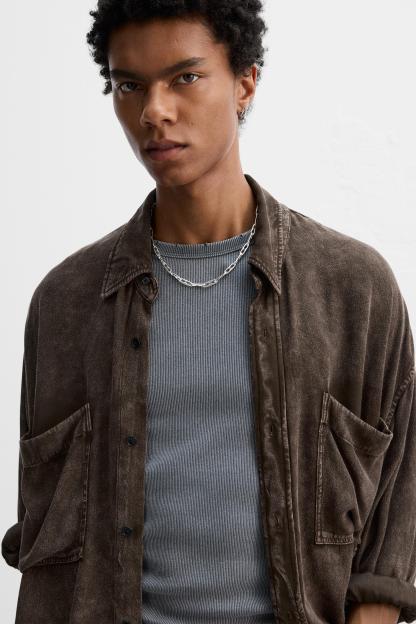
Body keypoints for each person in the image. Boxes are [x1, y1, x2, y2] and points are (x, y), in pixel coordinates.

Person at [2, 2, 415, 623]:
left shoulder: (352, 287)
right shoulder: (66, 302)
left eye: (185, 77)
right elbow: (45, 535)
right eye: (129, 85)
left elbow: (400, 489)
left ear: (246, 82)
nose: (154, 111)